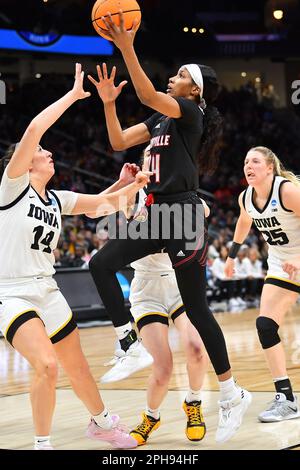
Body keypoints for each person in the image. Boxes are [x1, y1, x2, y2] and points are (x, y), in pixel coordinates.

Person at [88, 12, 251, 443]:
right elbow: (119, 141)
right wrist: (107, 103)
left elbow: (143, 91)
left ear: (194, 90)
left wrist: (126, 46)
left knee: (197, 309)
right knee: (101, 263)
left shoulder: (188, 112)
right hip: (158, 213)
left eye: (180, 75)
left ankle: (232, 394)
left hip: (184, 215)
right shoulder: (163, 120)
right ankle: (128, 342)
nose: (172, 78)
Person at [0, 63, 150, 450]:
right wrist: (73, 95)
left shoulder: (57, 198)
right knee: (47, 365)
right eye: (41, 153)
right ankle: (41, 443)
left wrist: (130, 185)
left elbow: (102, 206)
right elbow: (34, 131)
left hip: (47, 290)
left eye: (48, 152)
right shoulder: (12, 188)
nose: (48, 154)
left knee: (76, 365)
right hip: (11, 292)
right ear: (25, 161)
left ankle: (101, 423)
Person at [224, 146, 300, 422]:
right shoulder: (246, 197)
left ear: (270, 167)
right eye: (245, 161)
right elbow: (245, 221)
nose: (248, 165)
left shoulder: (287, 191)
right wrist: (232, 255)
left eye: (255, 161)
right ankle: (286, 398)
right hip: (282, 264)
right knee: (265, 326)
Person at [128, 194, 210, 446]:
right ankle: (151, 416)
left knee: (197, 348)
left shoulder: (177, 193)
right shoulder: (128, 196)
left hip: (178, 280)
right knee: (163, 368)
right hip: (146, 288)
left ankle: (193, 402)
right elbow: (97, 214)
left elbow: (205, 210)